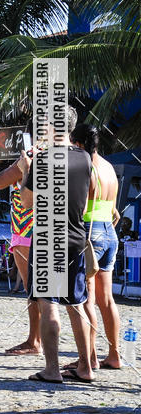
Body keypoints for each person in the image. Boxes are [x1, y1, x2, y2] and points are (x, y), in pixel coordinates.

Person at [19, 106, 96, 384]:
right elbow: (88, 195)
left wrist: (26, 171)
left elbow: (26, 203)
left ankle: (52, 369)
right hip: (75, 238)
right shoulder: (85, 158)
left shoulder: (44, 159)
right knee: (76, 304)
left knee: (48, 302)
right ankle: (86, 366)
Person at [70, 124, 121, 370]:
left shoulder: (85, 167)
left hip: (90, 234)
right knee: (107, 300)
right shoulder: (109, 167)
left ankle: (89, 359)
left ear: (79, 144)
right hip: (110, 232)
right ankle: (114, 355)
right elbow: (115, 211)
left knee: (87, 300)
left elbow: (78, 206)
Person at [0, 149, 42, 356]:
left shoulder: (30, 157)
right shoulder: (63, 158)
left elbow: (0, 182)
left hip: (26, 229)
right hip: (49, 229)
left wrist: (20, 164)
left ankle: (35, 340)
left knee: (32, 288)